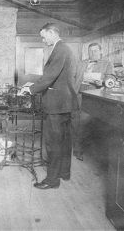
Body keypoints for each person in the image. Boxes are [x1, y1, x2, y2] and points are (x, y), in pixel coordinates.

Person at [21, 23, 78, 190]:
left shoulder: (60, 49)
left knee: (53, 142)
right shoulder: (64, 48)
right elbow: (53, 77)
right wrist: (34, 84)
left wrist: (30, 89)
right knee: (64, 141)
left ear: (52, 33)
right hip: (64, 103)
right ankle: (63, 173)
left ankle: (52, 180)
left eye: (44, 36)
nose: (42, 39)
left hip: (56, 104)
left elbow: (50, 76)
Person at [71, 42, 114, 161]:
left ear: (101, 51)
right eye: (90, 51)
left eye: (95, 51)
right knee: (76, 121)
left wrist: (104, 82)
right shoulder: (81, 63)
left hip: (95, 97)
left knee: (86, 122)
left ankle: (85, 150)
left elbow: (111, 77)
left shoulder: (107, 63)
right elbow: (73, 76)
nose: (92, 53)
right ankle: (77, 149)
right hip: (79, 94)